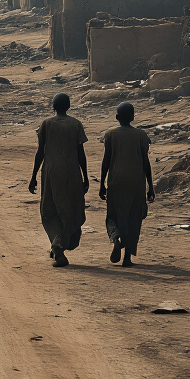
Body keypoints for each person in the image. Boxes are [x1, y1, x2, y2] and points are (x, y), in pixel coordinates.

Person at [28, 93, 89, 267]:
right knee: (70, 207)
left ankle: (57, 242)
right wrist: (85, 175)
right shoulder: (76, 124)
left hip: (51, 171)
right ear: (69, 106)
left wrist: (33, 176)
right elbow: (81, 154)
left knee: (50, 208)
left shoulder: (46, 124)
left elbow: (40, 152)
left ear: (53, 107)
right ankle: (60, 243)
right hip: (71, 171)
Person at [99, 102, 154, 267]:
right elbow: (146, 162)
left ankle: (116, 238)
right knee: (134, 217)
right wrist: (151, 186)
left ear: (116, 117)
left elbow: (106, 161)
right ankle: (127, 257)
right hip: (136, 182)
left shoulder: (110, 135)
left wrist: (101, 183)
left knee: (113, 214)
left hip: (116, 181)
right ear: (133, 117)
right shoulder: (141, 136)